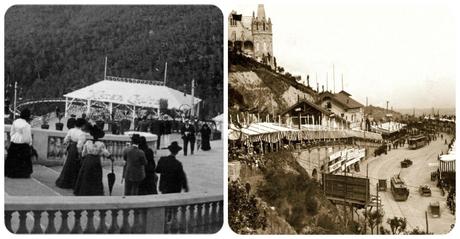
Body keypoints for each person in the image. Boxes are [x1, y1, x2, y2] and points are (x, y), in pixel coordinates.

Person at [74, 125, 111, 196]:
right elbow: (105, 152)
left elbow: (83, 152)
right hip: (96, 160)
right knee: (96, 176)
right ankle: (94, 191)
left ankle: (84, 190)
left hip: (88, 159)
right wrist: (110, 157)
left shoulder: (88, 142)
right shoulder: (101, 144)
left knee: (86, 175)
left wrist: (82, 157)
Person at [56, 118, 87, 189]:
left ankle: (66, 181)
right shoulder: (82, 134)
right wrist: (80, 154)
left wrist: (67, 145)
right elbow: (79, 145)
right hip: (76, 149)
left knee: (68, 164)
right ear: (82, 125)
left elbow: (65, 140)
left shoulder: (71, 130)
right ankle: (73, 183)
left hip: (71, 148)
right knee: (75, 165)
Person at [5, 108, 33, 178]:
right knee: (23, 159)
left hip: (14, 142)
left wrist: (13, 139)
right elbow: (27, 137)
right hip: (22, 143)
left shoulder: (15, 122)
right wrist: (29, 144)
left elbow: (12, 133)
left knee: (12, 158)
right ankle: (21, 174)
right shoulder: (26, 125)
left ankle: (10, 172)